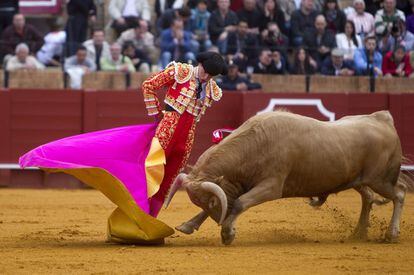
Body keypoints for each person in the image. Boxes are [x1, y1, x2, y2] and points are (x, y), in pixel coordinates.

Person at [19, 52, 228, 244]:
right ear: (199, 64)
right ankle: (135, 222)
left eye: (211, 76)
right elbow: (148, 85)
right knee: (150, 173)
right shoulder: (180, 71)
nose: (205, 77)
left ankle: (144, 224)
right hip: (167, 129)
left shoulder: (212, 89)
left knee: (166, 181)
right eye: (205, 72)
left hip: (187, 137)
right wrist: (158, 115)